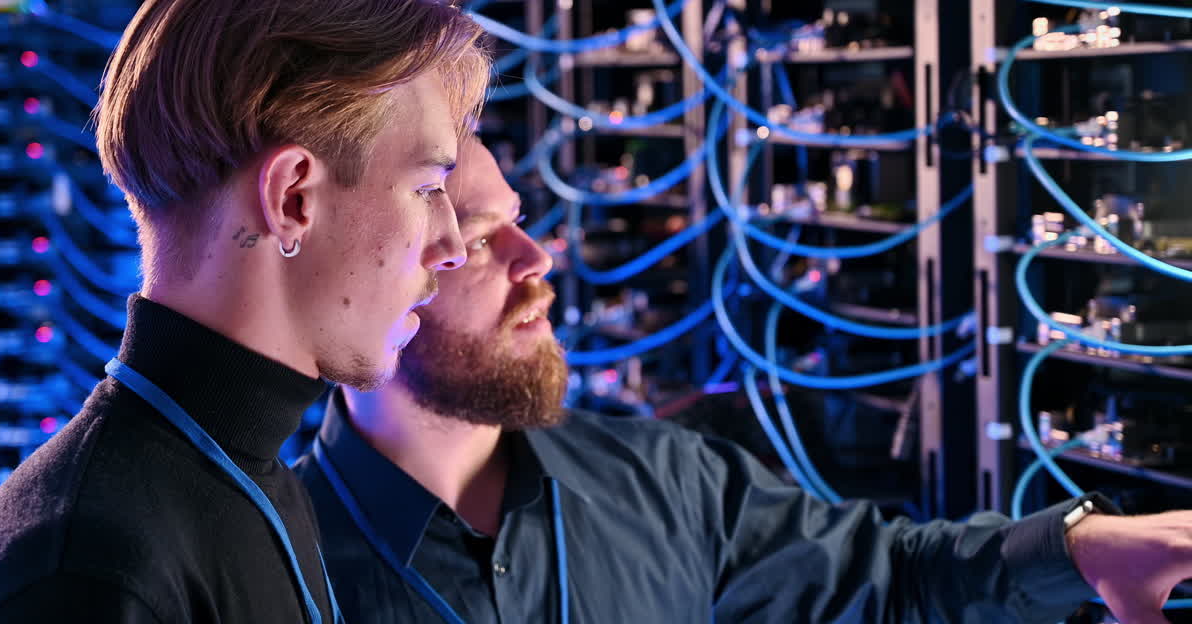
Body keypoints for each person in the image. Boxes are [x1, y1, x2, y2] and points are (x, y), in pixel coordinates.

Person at [294, 135, 1192, 624]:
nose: (539, 263)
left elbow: (893, 582)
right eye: (484, 242)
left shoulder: (667, 486)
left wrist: (1079, 549)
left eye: (523, 223)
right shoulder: (268, 563)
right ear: (370, 280)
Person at [0, 0, 489, 623]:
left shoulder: (246, 478)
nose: (450, 247)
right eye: (428, 188)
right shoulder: (90, 565)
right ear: (294, 198)